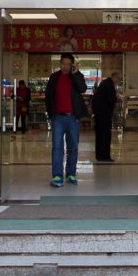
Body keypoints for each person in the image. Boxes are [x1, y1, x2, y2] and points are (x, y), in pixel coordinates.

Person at [45, 52, 88, 187]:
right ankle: (57, 176)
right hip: (58, 118)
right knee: (57, 147)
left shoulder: (76, 76)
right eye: (63, 63)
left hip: (72, 118)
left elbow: (83, 89)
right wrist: (51, 114)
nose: (65, 66)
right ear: (60, 64)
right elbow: (48, 96)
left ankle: (71, 173)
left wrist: (75, 74)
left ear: (72, 65)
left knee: (73, 148)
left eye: (68, 64)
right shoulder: (54, 77)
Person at [92, 73, 118, 162]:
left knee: (99, 135)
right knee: (105, 135)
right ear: (115, 77)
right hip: (105, 114)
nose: (117, 82)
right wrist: (116, 98)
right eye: (118, 80)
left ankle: (99, 155)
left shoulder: (104, 83)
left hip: (99, 114)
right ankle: (105, 156)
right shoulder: (109, 84)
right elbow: (110, 99)